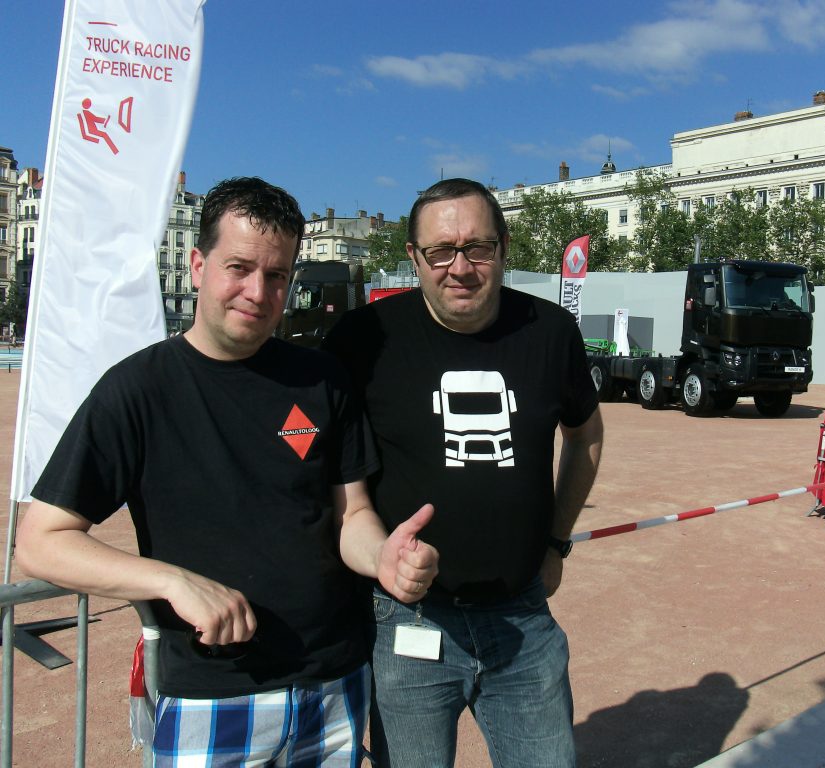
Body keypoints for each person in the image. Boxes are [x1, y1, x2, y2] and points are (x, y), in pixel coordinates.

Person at [16, 176, 439, 766]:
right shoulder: (137, 391)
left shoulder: (321, 380)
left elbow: (353, 515)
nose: (256, 292)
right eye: (238, 267)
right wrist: (171, 582)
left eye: (276, 276)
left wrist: (381, 557)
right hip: (211, 697)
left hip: (333, 685)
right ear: (196, 264)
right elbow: (40, 544)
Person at [322, 178, 604, 767]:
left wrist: (556, 542)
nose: (460, 267)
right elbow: (336, 480)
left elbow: (585, 436)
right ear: (413, 257)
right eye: (440, 251)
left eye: (477, 247)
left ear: (503, 247)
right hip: (408, 622)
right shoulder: (362, 340)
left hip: (521, 619)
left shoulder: (550, 333)